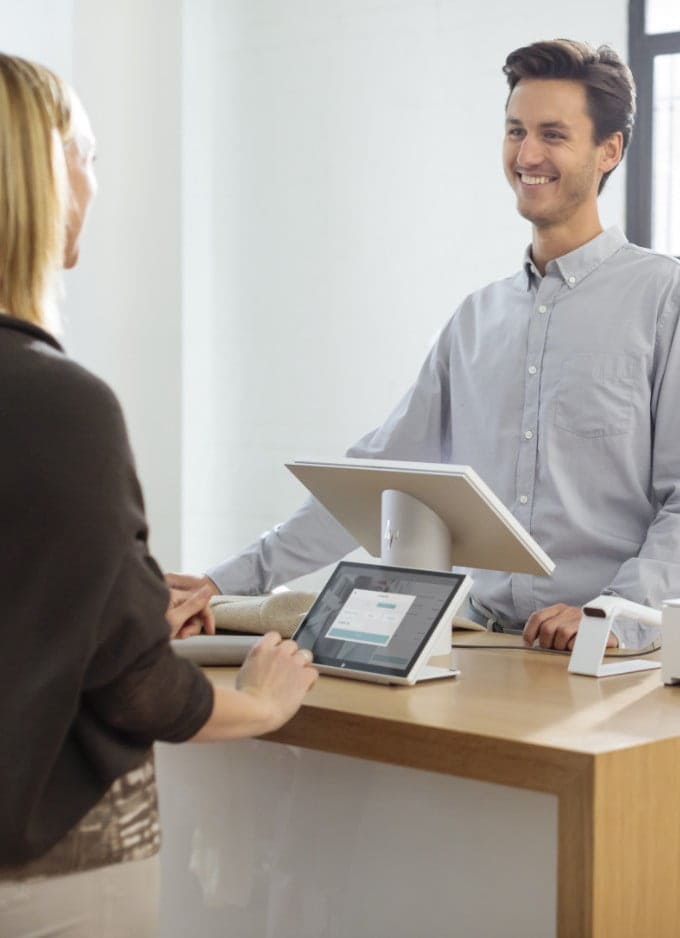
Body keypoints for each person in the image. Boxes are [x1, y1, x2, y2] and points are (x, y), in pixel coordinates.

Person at [170, 39, 680, 653]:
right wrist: (218, 583)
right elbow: (371, 485)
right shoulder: (476, 319)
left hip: (609, 659)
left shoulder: (663, 297)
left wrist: (611, 615)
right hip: (487, 648)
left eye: (552, 134)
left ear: (609, 150)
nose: (527, 154)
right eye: (515, 130)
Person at [0, 53, 317, 937]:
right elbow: (132, 686)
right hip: (53, 873)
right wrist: (262, 696)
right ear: (40, 174)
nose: (96, 186)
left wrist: (127, 597)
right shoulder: (62, 405)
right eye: (88, 156)